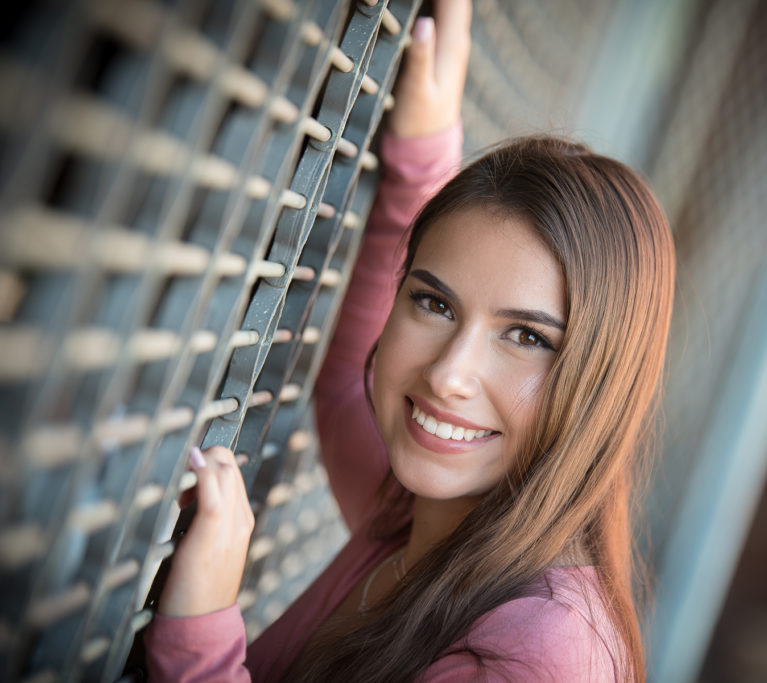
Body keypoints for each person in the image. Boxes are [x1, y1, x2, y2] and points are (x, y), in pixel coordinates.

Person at [144, 0, 675, 680]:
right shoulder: (422, 517)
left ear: (603, 380)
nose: (449, 373)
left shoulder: (542, 652)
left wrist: (199, 637)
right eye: (434, 301)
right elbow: (344, 392)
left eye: (526, 336)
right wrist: (422, 165)